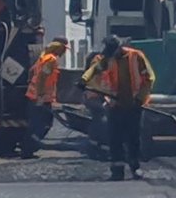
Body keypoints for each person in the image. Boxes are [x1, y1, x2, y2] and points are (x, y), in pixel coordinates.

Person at [84, 34, 155, 178]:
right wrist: (84, 80)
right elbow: (97, 73)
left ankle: (135, 167)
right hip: (114, 104)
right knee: (114, 138)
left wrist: (140, 98)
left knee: (133, 137)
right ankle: (117, 170)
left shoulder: (136, 56)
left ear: (120, 48)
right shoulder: (108, 59)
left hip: (134, 104)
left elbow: (149, 77)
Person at [25, 37, 70, 146]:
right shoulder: (50, 60)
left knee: (35, 124)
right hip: (41, 98)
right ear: (58, 48)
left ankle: (28, 147)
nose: (64, 52)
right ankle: (30, 147)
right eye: (64, 49)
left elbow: (32, 71)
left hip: (34, 96)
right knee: (44, 124)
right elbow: (42, 78)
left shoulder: (43, 57)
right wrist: (40, 96)